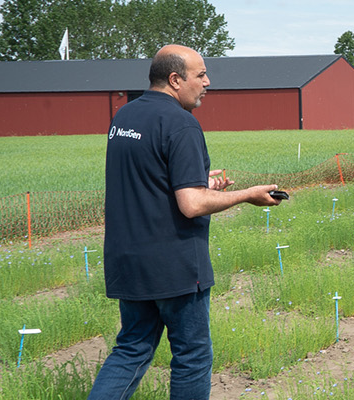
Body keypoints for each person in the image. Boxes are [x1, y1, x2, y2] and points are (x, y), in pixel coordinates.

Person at [90, 44, 283, 399]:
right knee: (192, 356)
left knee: (132, 348)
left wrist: (198, 180)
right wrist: (248, 194)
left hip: (128, 260)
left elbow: (150, 180)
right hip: (174, 265)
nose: (208, 82)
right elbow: (191, 205)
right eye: (201, 75)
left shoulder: (124, 118)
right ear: (175, 79)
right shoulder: (181, 123)